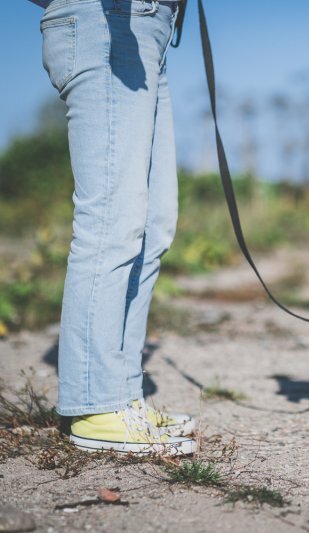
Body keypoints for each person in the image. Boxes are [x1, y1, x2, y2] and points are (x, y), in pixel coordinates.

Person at [33, 0, 196, 455]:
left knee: (154, 225)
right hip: (109, 25)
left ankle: (122, 397)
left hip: (153, 32)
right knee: (112, 222)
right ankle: (93, 405)